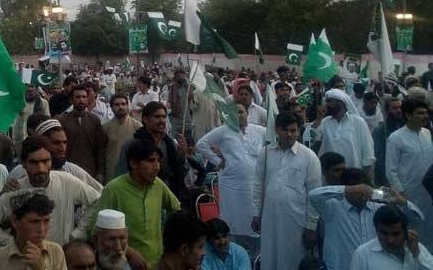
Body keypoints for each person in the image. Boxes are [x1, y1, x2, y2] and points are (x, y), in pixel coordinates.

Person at [0, 136, 100, 247]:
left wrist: (78, 234)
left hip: (61, 257)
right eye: (34, 162)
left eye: (45, 161)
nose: (41, 168)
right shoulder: (15, 190)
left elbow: (96, 200)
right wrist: (12, 244)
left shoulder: (66, 181)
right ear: (23, 164)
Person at [309, 167, 423, 270]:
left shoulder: (378, 209)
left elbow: (418, 220)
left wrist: (400, 201)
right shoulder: (332, 208)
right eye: (359, 193)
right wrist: (346, 189)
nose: (364, 197)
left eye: (366, 192)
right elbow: (313, 195)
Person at [94, 138, 181, 266]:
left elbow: (176, 209)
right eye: (151, 161)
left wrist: (167, 241)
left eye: (158, 161)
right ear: (134, 163)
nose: (157, 167)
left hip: (156, 261)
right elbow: (96, 230)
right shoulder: (113, 189)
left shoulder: (158, 185)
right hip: (122, 262)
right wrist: (129, 252)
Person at [251, 112, 321, 270]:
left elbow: (314, 194)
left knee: (293, 258)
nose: (289, 134)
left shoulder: (309, 157)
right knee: (270, 256)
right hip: (269, 218)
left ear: (299, 131)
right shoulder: (266, 153)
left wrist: (311, 226)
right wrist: (256, 213)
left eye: (293, 130)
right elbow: (258, 184)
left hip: (296, 221)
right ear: (277, 130)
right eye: (285, 130)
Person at [196, 103, 264, 255]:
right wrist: (217, 161)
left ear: (247, 113)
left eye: (241, 112)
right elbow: (201, 144)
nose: (238, 115)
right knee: (232, 222)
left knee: (255, 222)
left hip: (254, 185)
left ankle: (255, 259)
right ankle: (232, 256)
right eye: (234, 113)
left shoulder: (259, 131)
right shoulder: (223, 131)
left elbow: (273, 140)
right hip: (231, 186)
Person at [386, 98, 433, 250]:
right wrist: (402, 193)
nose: (425, 116)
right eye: (420, 113)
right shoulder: (396, 138)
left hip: (428, 195)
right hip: (409, 196)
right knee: (412, 234)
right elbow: (390, 170)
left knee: (429, 231)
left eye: (426, 113)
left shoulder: (427, 133)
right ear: (408, 115)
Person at [7, 119, 102, 193]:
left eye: (64, 143)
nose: (62, 148)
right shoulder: (19, 172)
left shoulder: (73, 171)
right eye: (56, 143)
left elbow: (100, 194)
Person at [115, 101, 188, 196]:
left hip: (168, 195)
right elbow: (121, 176)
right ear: (145, 119)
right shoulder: (133, 145)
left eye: (163, 117)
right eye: (157, 117)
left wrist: (182, 155)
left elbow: (179, 171)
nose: (161, 120)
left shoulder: (169, 143)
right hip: (140, 195)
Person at [0, 191, 67, 269]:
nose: (42, 229)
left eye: (46, 221)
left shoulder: (56, 252)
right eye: (34, 222)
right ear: (14, 221)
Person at [350, 205, 433, 269]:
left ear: (405, 231)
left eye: (396, 234)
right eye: (384, 233)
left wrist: (417, 255)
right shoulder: (362, 255)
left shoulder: (417, 248)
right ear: (376, 230)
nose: (390, 240)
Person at [317, 88, 375, 179]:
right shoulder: (324, 122)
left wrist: (368, 179)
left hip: (353, 177)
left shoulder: (358, 122)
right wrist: (318, 118)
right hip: (329, 178)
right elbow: (314, 141)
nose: (326, 104)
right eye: (326, 102)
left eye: (329, 101)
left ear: (341, 102)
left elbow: (368, 152)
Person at [59, 85, 106, 181]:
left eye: (84, 97)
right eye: (78, 97)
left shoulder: (94, 120)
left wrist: (100, 172)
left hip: (90, 170)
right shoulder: (63, 120)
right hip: (69, 170)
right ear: (71, 100)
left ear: (87, 99)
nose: (81, 100)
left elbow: (100, 147)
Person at [102, 94, 142, 183]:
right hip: (111, 171)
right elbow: (101, 152)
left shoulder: (138, 127)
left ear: (127, 106)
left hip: (131, 171)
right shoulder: (105, 128)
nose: (121, 107)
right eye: (117, 104)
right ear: (111, 108)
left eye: (123, 104)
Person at [372, 97, 404, 187]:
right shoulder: (380, 130)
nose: (399, 110)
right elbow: (379, 157)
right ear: (386, 111)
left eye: (400, 107)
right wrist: (386, 179)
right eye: (394, 108)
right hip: (388, 176)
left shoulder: (405, 126)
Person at [13, 84, 50, 158]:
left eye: (32, 86)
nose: (30, 89)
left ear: (36, 89)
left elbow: (47, 120)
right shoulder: (19, 102)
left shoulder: (43, 103)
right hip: (19, 138)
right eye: (27, 86)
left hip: (37, 137)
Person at [168, 68, 193, 139]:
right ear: (176, 77)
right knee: (175, 137)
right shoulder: (173, 87)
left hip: (187, 115)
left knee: (188, 135)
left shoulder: (189, 87)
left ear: (184, 76)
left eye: (182, 76)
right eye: (178, 76)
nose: (180, 77)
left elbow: (192, 99)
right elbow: (170, 101)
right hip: (176, 116)